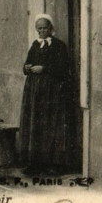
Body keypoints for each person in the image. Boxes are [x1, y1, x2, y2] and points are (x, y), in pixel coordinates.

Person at [19, 14, 74, 174]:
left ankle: (54, 164)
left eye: (44, 28)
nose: (42, 31)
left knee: (51, 124)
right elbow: (25, 66)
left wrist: (44, 69)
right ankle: (35, 163)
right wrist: (27, 68)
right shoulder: (35, 45)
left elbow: (63, 69)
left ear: (51, 29)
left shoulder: (59, 46)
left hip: (52, 92)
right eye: (39, 29)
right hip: (34, 92)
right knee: (35, 124)